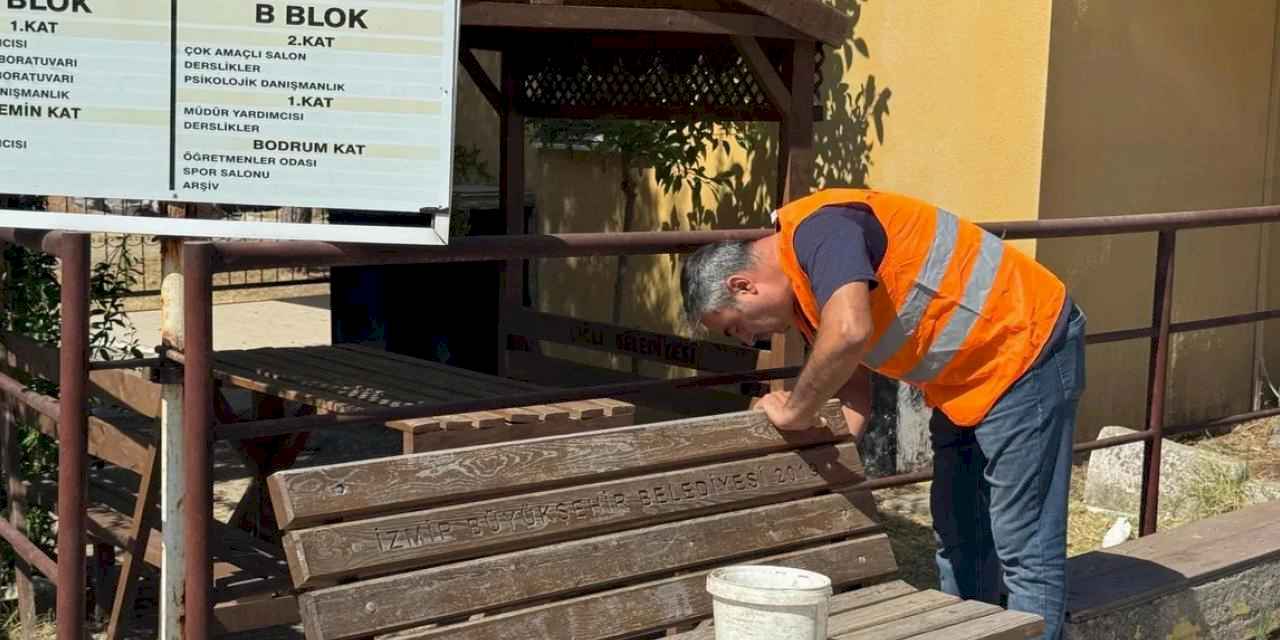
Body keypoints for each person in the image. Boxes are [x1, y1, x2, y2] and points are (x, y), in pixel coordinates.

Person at [679, 187, 1085, 640]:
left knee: (1023, 543)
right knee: (959, 530)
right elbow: (855, 394)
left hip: (1023, 348)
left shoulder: (822, 233)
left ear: (743, 285)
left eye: (735, 325)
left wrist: (793, 410)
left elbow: (850, 332)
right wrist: (813, 460)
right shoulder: (809, 296)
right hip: (964, 379)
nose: (745, 338)